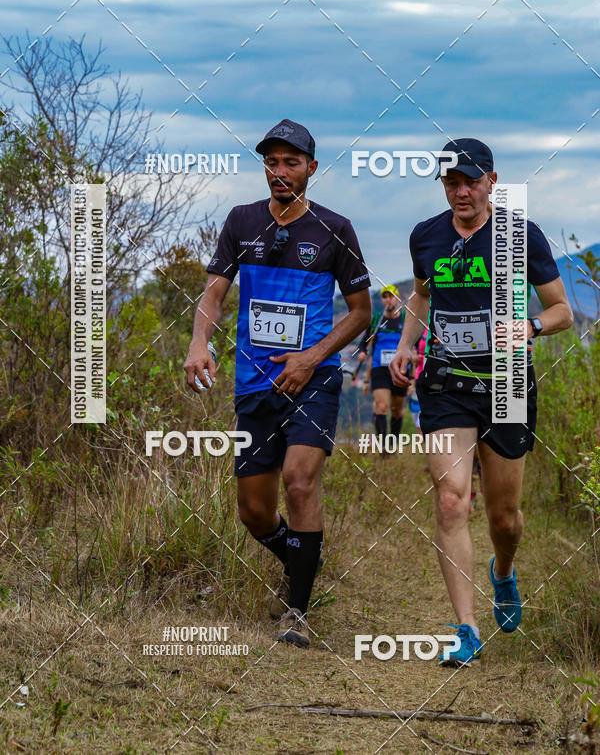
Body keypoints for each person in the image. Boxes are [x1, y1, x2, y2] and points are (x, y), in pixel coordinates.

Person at [184, 119, 371, 649]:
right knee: (254, 511)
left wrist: (311, 358)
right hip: (254, 382)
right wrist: (200, 340)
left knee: (300, 480)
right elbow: (215, 292)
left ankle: (297, 611)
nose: (280, 172)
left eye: (292, 162)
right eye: (272, 162)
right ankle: (301, 557)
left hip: (314, 378)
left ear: (312, 168)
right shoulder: (242, 221)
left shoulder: (336, 228)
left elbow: (360, 314)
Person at [390, 138, 572, 666]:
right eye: (452, 182)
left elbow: (560, 309)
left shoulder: (519, 235)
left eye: (470, 181)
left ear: (492, 181)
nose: (461, 191)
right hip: (447, 382)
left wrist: (531, 325)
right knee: (451, 500)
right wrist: (407, 344)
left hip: (509, 380)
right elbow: (422, 295)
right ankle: (465, 630)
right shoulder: (426, 236)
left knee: (504, 517)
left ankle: (503, 570)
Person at [357, 285, 409, 447]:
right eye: (385, 297)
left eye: (391, 296)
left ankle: (392, 444)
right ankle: (383, 446)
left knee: (396, 409)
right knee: (381, 406)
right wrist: (362, 352)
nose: (388, 300)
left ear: (398, 298)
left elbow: (414, 345)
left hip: (400, 369)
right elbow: (363, 344)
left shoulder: (405, 319)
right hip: (380, 368)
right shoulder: (377, 320)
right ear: (382, 300)